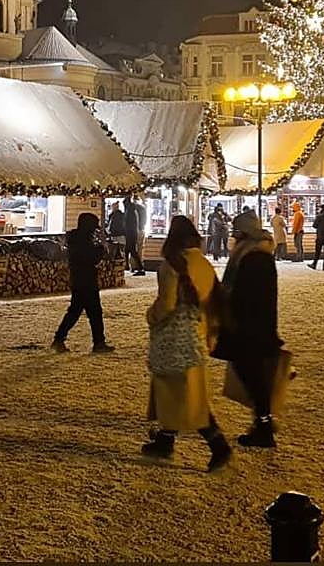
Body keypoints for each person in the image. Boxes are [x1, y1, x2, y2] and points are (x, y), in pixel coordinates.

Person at [140, 215, 232, 470]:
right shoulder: (203, 263)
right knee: (177, 391)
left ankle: (218, 445)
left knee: (184, 395)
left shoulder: (171, 265)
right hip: (197, 333)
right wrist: (212, 333)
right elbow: (214, 301)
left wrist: (151, 315)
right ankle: (165, 440)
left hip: (173, 338)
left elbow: (167, 304)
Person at [217, 211, 282, 448]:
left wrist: (229, 305)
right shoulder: (252, 255)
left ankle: (264, 425)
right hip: (251, 326)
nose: (234, 237)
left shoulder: (255, 258)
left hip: (250, 327)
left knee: (253, 376)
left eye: (237, 232)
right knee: (251, 375)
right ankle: (263, 422)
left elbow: (248, 294)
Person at [52, 213, 115, 353]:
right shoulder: (83, 241)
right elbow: (90, 258)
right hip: (86, 280)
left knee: (77, 312)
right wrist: (102, 249)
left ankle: (60, 339)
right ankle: (98, 342)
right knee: (92, 312)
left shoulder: (76, 239)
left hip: (79, 279)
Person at [123, 195, 146, 276]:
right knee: (129, 250)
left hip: (131, 233)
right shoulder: (134, 209)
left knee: (132, 250)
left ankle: (139, 268)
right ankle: (129, 266)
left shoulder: (130, 210)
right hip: (133, 232)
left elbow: (130, 223)